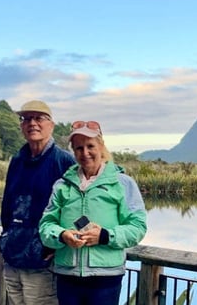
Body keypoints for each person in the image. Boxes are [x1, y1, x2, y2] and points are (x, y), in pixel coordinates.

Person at [38, 120, 147, 305]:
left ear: (101, 146)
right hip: (67, 275)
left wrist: (104, 236)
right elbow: (46, 225)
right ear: (73, 150)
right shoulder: (62, 185)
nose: (85, 153)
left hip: (106, 277)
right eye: (79, 148)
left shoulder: (123, 183)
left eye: (90, 146)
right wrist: (62, 235)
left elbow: (138, 227)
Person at [0, 100, 76, 305]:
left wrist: (55, 245)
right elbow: (7, 205)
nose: (32, 123)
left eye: (39, 118)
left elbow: (80, 209)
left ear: (51, 124)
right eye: (27, 119)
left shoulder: (64, 162)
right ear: (21, 126)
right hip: (13, 258)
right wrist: (6, 239)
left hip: (43, 263)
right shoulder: (17, 160)